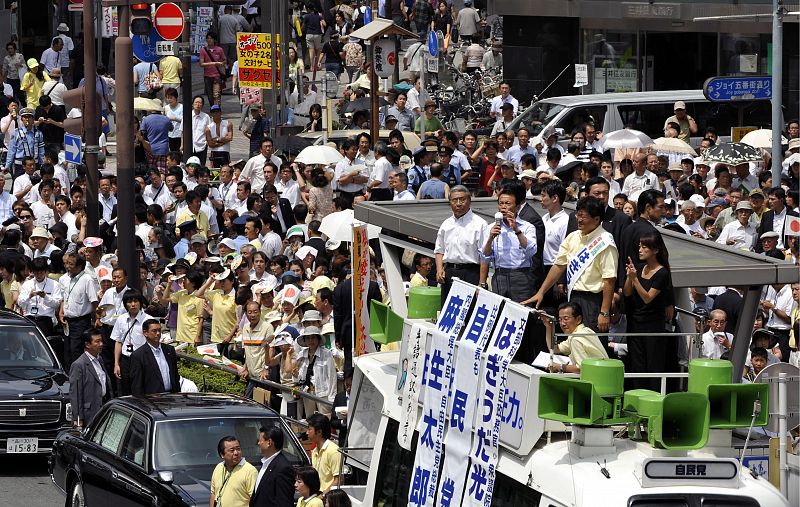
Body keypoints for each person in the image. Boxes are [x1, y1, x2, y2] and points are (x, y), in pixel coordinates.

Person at [526, 196, 618, 333]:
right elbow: (559, 266)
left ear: (596, 219)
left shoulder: (605, 242)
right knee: (572, 340)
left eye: (583, 217)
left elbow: (609, 280)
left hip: (593, 301)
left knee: (591, 341)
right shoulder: (573, 236)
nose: (579, 220)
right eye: (578, 215)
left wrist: (604, 312)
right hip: (573, 297)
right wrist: (541, 292)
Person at [623, 232, 673, 389]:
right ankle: (638, 395)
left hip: (653, 325)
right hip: (636, 322)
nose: (640, 250)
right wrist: (629, 277)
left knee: (653, 364)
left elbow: (648, 298)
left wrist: (635, 279)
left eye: (644, 247)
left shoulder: (662, 273)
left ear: (655, 250)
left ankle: (654, 396)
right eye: (640, 246)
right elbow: (627, 293)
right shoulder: (639, 268)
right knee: (637, 364)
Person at [479, 184, 537, 302]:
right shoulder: (491, 227)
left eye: (508, 203)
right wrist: (490, 238)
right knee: (498, 309)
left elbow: (531, 251)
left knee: (520, 308)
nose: (503, 207)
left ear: (517, 207)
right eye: (501, 203)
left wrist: (516, 229)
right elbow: (485, 256)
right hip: (499, 274)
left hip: (520, 275)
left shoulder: (527, 227)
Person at [434, 185, 486, 304]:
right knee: (448, 310)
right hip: (449, 273)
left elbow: (485, 256)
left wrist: (482, 282)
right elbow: (439, 250)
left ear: (469, 201)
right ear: (450, 203)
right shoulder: (446, 224)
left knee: (469, 310)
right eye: (454, 200)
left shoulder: (480, 224)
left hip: (471, 273)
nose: (458, 203)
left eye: (462, 199)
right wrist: (439, 270)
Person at [542, 302, 608, 373]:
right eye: (560, 320)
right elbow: (555, 349)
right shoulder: (585, 331)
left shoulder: (576, 338)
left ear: (578, 319)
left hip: (599, 376)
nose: (562, 324)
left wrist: (560, 367)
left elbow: (582, 368)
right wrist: (548, 326)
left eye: (566, 319)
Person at [59, 253, 99, 369]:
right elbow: (64, 298)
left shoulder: (87, 279)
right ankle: (69, 375)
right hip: (67, 322)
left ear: (79, 266)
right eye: (66, 263)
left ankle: (79, 375)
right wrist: (61, 312)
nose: (67, 266)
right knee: (67, 351)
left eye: (71, 264)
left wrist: (96, 319)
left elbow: (94, 302)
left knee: (76, 351)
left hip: (81, 322)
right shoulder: (66, 279)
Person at [69, 328, 112, 428]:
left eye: (101, 341)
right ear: (87, 344)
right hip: (89, 414)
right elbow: (76, 394)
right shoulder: (79, 365)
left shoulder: (100, 360)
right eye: (97, 342)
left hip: (103, 409)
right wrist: (78, 418)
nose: (101, 344)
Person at [129, 318, 179, 395]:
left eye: (159, 330)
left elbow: (175, 375)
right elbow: (137, 385)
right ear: (145, 333)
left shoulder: (169, 350)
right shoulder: (138, 356)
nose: (158, 333)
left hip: (172, 396)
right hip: (152, 398)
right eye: (154, 331)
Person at [251, 425, 295, 507]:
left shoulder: (283, 468)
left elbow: (284, 502)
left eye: (260, 440)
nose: (258, 443)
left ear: (269, 442)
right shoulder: (266, 463)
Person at [18, 257, 62, 336]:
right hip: (30, 318)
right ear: (32, 271)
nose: (38, 275)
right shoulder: (27, 284)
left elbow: (56, 304)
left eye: (41, 273)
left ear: (45, 271)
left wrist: (45, 296)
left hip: (46, 319)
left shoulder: (54, 284)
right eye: (36, 273)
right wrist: (29, 296)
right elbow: (20, 303)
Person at [210, 436, 258, 507]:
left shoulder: (250, 471)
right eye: (232, 450)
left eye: (238, 449)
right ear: (222, 454)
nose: (236, 453)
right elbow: (213, 494)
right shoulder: (218, 467)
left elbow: (255, 500)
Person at [307, 413, 341, 493]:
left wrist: (323, 495)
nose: (307, 432)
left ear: (319, 432)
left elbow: (339, 480)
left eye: (309, 429)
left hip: (328, 497)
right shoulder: (314, 451)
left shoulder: (333, 451)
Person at [199, 31, 227, 106]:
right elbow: (201, 64)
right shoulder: (203, 50)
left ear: (214, 40)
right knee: (209, 96)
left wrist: (223, 64)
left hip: (217, 76)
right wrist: (214, 63)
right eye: (208, 38)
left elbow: (224, 60)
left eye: (211, 38)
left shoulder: (219, 50)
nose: (209, 40)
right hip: (207, 76)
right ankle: (212, 108)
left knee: (216, 94)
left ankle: (217, 109)